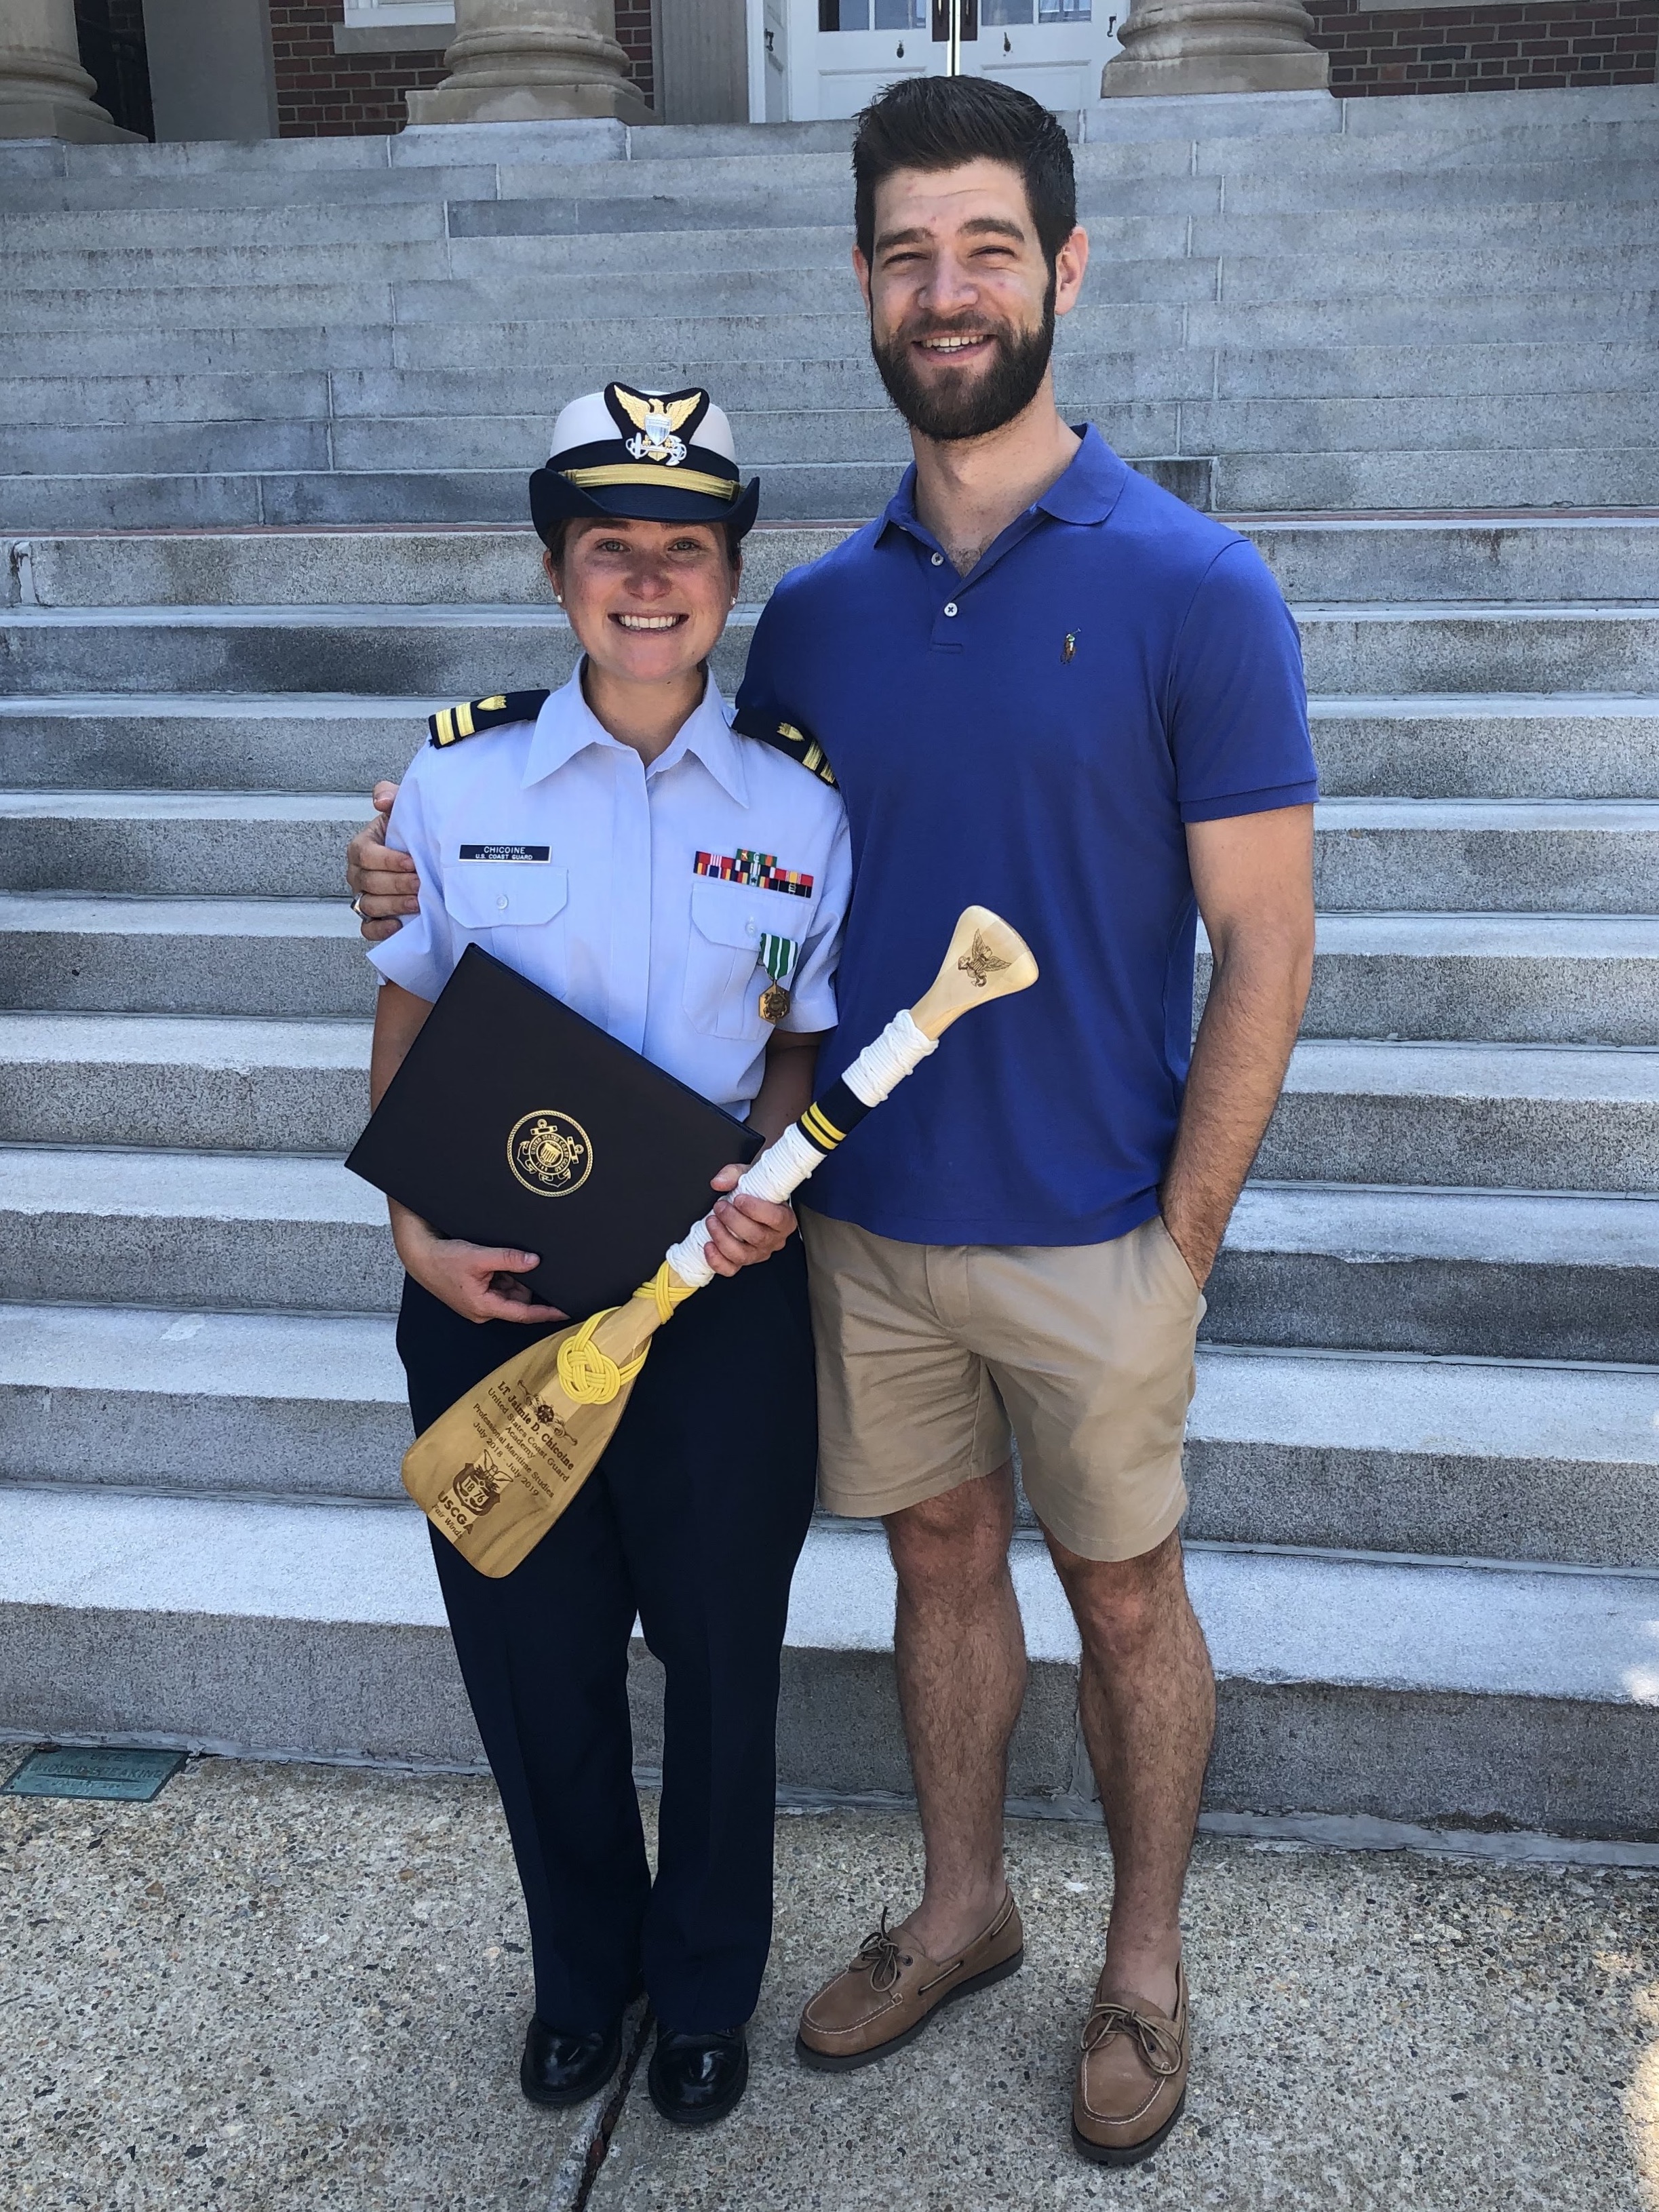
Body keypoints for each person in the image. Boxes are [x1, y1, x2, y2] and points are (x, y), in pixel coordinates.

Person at [348, 79, 1316, 2167]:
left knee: (1128, 1597)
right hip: (849, 1240)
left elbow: (1269, 943)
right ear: (867, 284)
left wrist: (1191, 1235)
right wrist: (405, 901)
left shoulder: (1197, 588)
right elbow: (740, 957)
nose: (945, 290)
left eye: (986, 249)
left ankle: (1141, 1969)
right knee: (942, 1570)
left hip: (1090, 1226)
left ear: (1063, 268)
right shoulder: (820, 622)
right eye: (906, 254)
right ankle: (962, 1914)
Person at [365, 384, 851, 2131]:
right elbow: (411, 1003)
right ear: (559, 572)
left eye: (685, 548)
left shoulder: (798, 811)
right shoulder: (456, 772)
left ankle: (706, 1984)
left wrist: (776, 1177)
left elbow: (795, 1037)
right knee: (533, 1654)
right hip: (493, 1289)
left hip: (712, 1297)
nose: (648, 578)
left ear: (728, 577)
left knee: (724, 1656)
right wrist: (412, 1225)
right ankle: (588, 1975)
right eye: (610, 547)